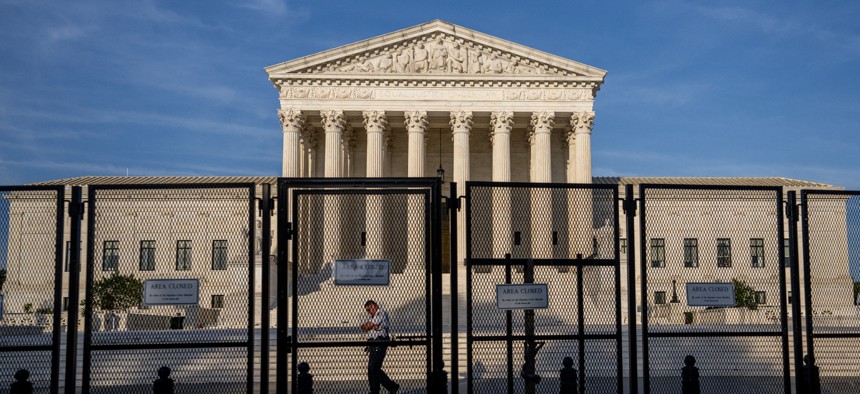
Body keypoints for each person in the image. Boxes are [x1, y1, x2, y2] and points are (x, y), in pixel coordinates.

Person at [361, 300, 399, 394]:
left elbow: (368, 326)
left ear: (373, 306)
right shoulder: (374, 316)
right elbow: (364, 328)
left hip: (379, 342)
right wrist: (367, 326)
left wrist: (368, 326)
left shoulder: (380, 313)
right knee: (373, 369)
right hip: (374, 343)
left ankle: (391, 386)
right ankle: (379, 389)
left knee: (373, 368)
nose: (368, 312)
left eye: (369, 310)